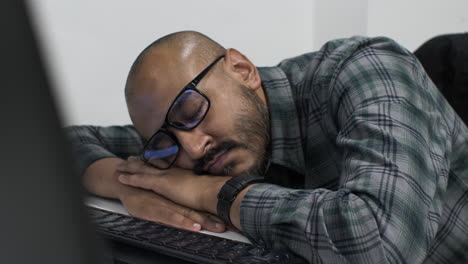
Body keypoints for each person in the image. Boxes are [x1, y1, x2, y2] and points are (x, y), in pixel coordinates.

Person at [66, 31, 468, 263]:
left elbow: (380, 243)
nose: (191, 148)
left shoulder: (367, 68)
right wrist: (127, 186)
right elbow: (67, 142)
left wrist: (212, 193)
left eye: (191, 110)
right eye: (164, 142)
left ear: (242, 70)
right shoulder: (186, 146)